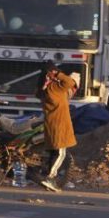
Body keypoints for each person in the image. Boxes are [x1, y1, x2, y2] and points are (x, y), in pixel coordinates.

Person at [35, 62, 78, 192]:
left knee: (54, 152)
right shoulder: (54, 88)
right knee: (61, 153)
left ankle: (49, 181)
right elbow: (70, 82)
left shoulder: (44, 89)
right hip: (59, 124)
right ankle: (50, 178)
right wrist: (57, 74)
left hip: (51, 124)